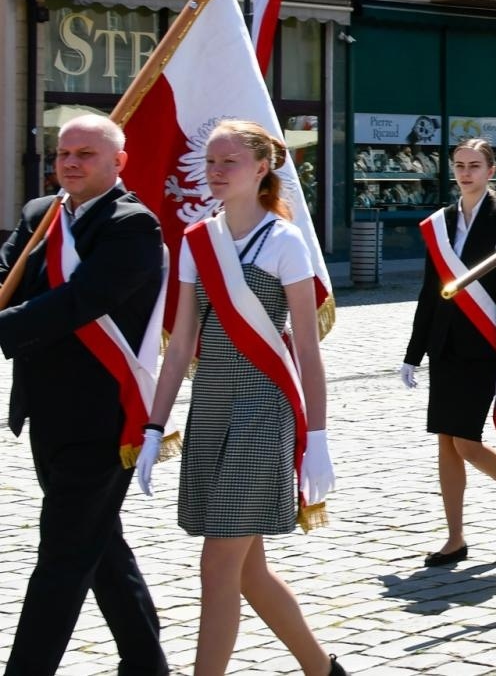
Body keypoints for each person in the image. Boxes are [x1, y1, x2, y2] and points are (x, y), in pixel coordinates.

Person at [138, 120, 340, 676]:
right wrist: (155, 428)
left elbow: (306, 347)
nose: (216, 172)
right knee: (248, 570)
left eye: (229, 162)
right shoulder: (196, 240)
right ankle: (323, 669)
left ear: (261, 169)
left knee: (218, 564)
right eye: (210, 162)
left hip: (263, 408)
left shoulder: (284, 241)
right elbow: (179, 348)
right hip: (211, 410)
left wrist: (316, 436)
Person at [0, 115, 169, 676]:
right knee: (99, 543)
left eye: (85, 154)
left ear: (118, 162)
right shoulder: (39, 214)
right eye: (62, 152)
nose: (69, 162)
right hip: (47, 411)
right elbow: (7, 273)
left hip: (104, 418)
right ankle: (146, 663)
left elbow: (79, 301)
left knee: (64, 557)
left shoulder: (133, 226)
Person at [400, 139, 496, 568]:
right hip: (446, 345)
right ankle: (455, 537)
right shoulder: (441, 222)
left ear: (491, 170)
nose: (465, 172)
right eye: (459, 165)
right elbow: (429, 292)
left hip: (485, 343)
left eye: (475, 165)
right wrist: (413, 352)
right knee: (445, 442)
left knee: (466, 442)